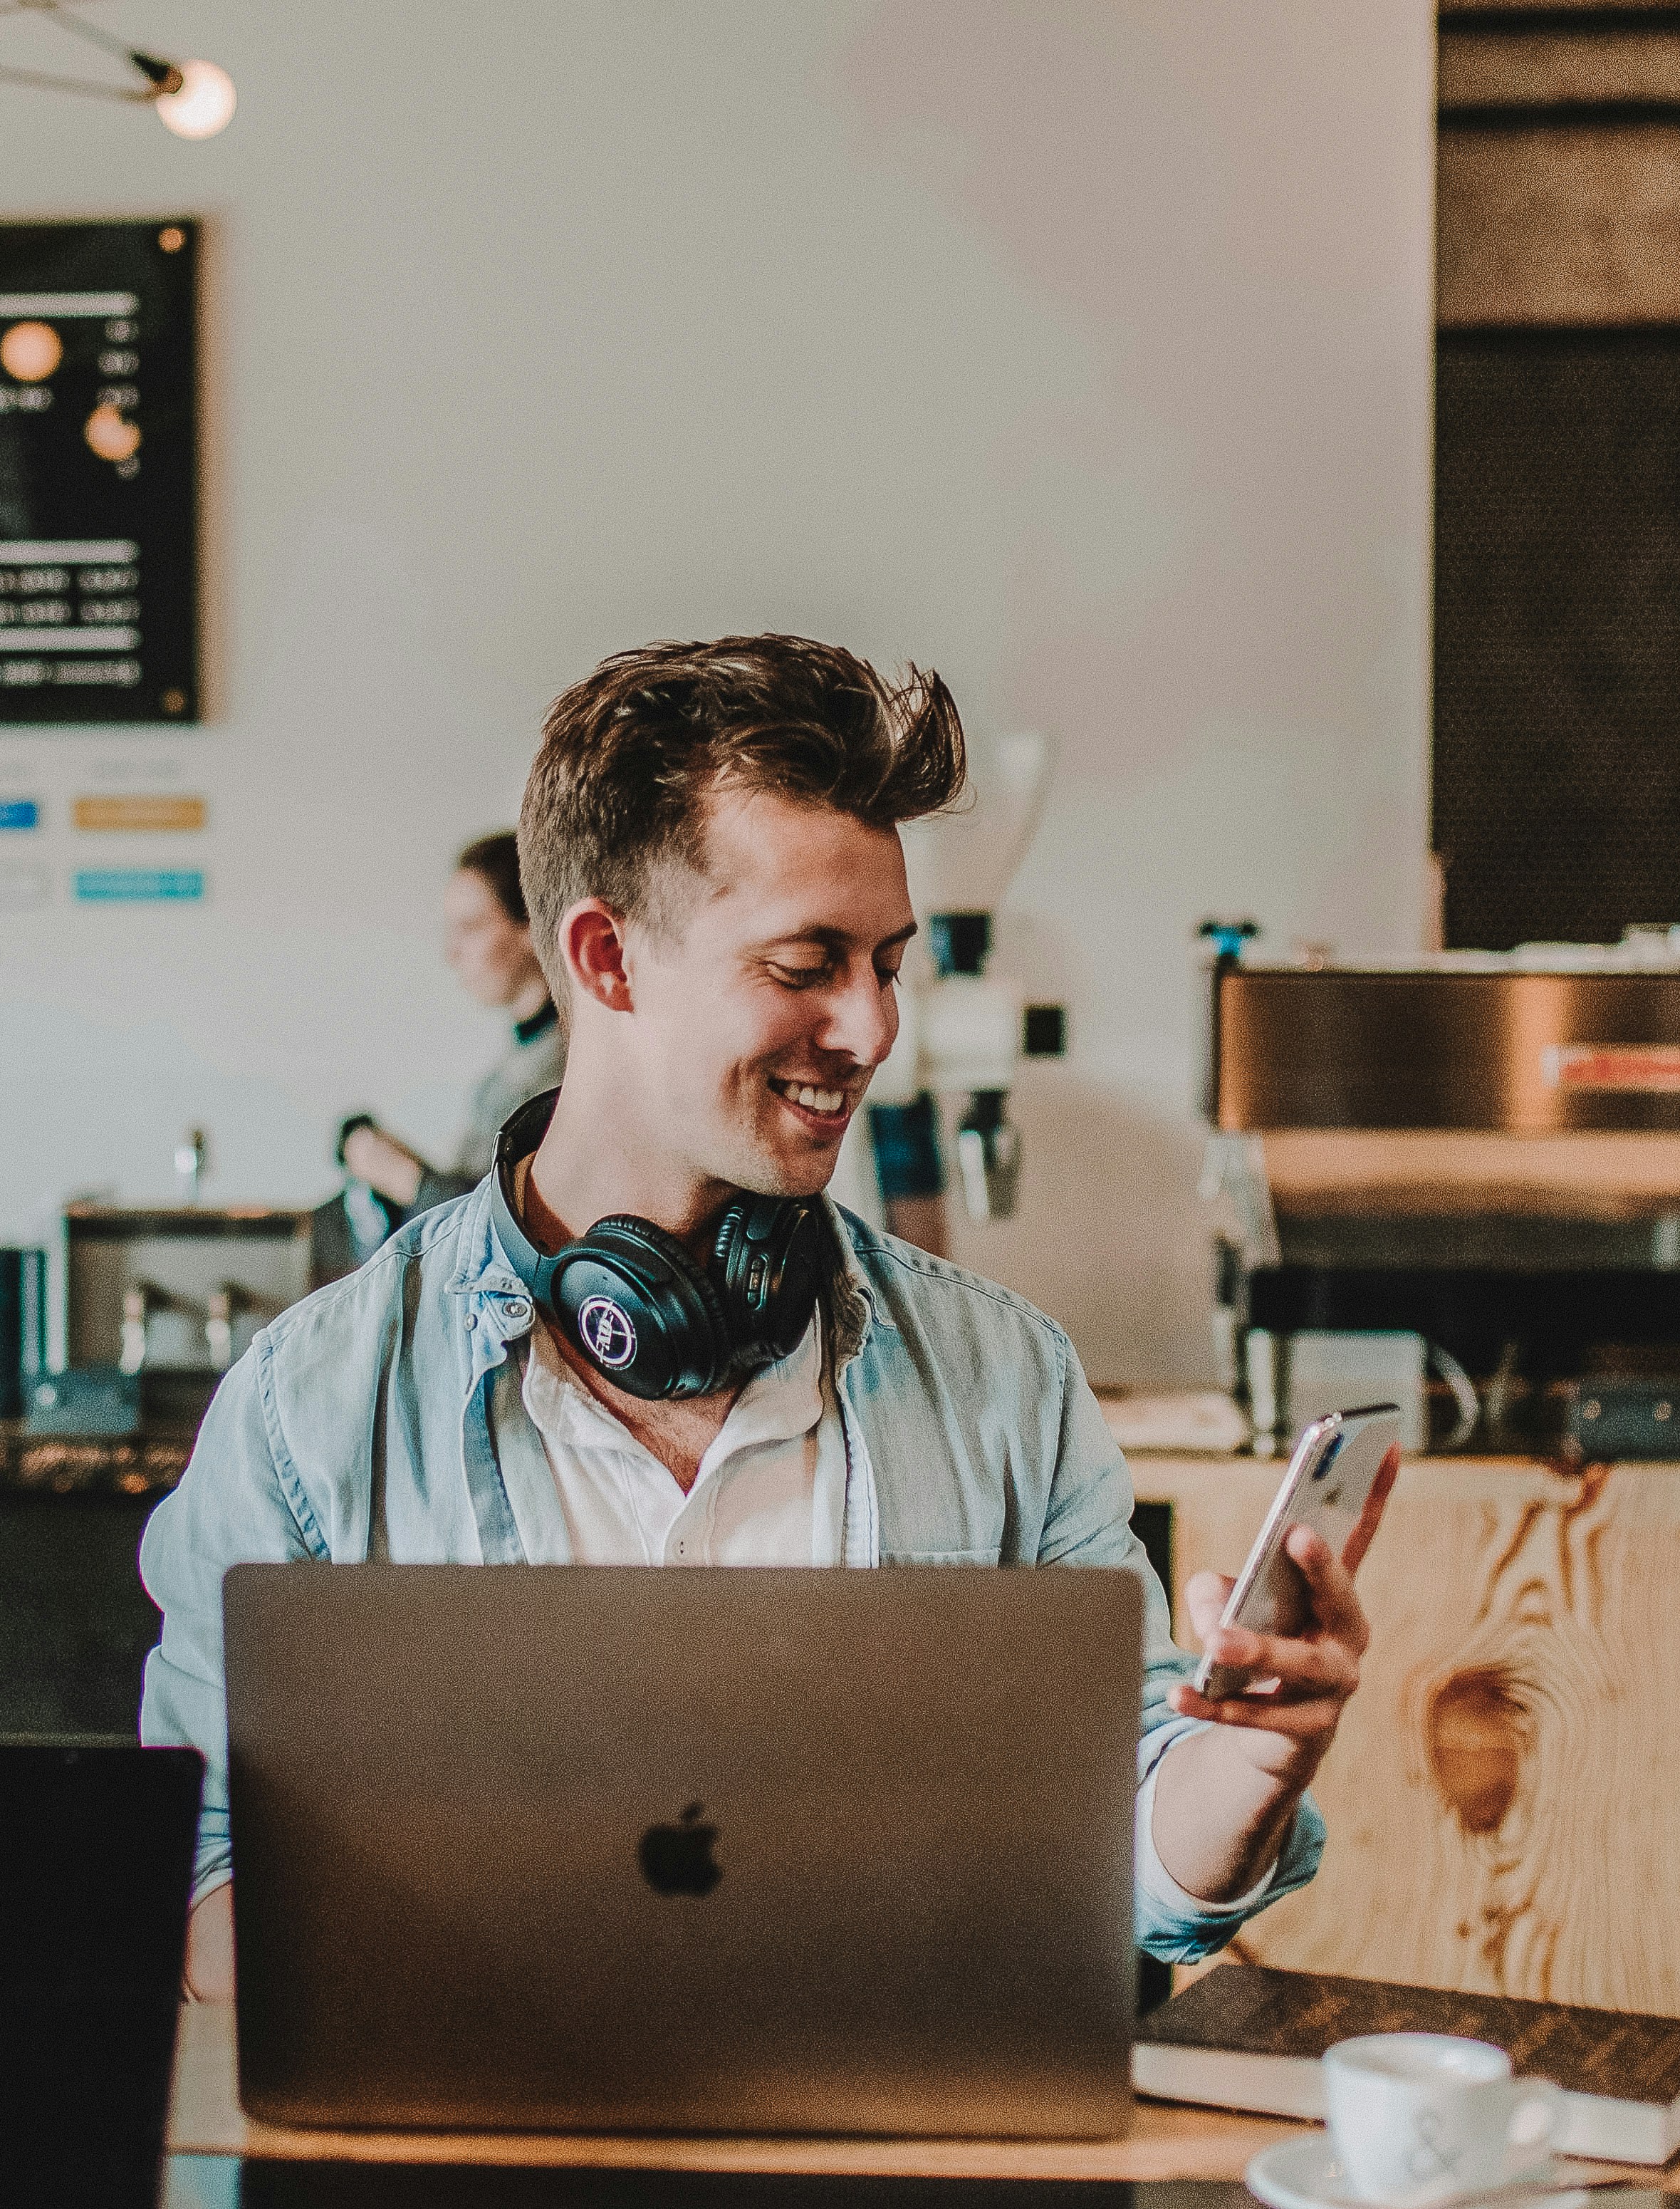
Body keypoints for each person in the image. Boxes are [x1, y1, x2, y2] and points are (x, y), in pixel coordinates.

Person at [140, 635, 1376, 2002]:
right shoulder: (305, 1411)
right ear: (605, 959)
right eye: (804, 965)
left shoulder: (1003, 1379)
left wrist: (1246, 1764)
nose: (868, 1029)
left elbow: (1126, 1858)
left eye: (886, 964)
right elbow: (196, 1885)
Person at [339, 834, 567, 1219]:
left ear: (531, 926)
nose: (452, 953)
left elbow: (504, 1231)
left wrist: (401, 1176)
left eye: (471, 928)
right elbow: (473, 1189)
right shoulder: (517, 1060)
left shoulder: (568, 1067)